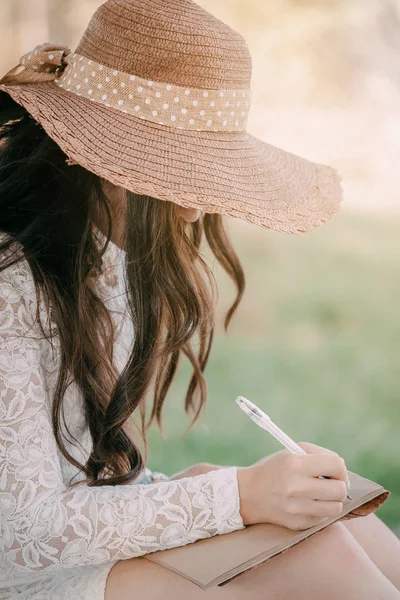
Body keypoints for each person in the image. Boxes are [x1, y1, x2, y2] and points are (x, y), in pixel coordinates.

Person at [0, 1, 399, 599]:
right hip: (27, 572)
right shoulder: (11, 284)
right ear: (92, 157)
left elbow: (85, 476)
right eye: (175, 176)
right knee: (306, 564)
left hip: (80, 544)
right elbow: (27, 532)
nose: (194, 207)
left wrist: (212, 486)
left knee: (334, 533)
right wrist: (239, 496)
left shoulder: (102, 256)